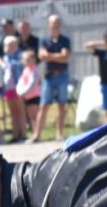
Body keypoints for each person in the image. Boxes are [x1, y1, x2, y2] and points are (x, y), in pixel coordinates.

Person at [31, 15, 71, 144]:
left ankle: (59, 134)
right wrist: (56, 56)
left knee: (61, 105)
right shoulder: (44, 40)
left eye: (57, 23)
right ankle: (37, 135)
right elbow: (41, 56)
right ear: (49, 24)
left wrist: (50, 56)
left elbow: (65, 57)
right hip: (49, 77)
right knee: (43, 105)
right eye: (53, 23)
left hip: (62, 76)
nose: (55, 25)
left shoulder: (65, 40)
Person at [0, 36, 27, 142]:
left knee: (20, 111)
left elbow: (21, 67)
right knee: (13, 112)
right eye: (8, 45)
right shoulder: (6, 57)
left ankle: (23, 134)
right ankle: (15, 135)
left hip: (18, 86)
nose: (9, 47)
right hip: (8, 87)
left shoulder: (20, 55)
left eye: (12, 44)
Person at [16, 50, 42, 133]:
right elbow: (21, 81)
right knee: (31, 116)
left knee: (35, 115)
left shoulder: (34, 69)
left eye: (28, 60)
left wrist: (25, 92)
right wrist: (19, 90)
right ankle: (35, 132)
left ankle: (37, 133)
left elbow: (32, 82)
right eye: (25, 60)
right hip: (27, 96)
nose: (26, 62)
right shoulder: (25, 70)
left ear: (33, 60)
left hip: (34, 95)